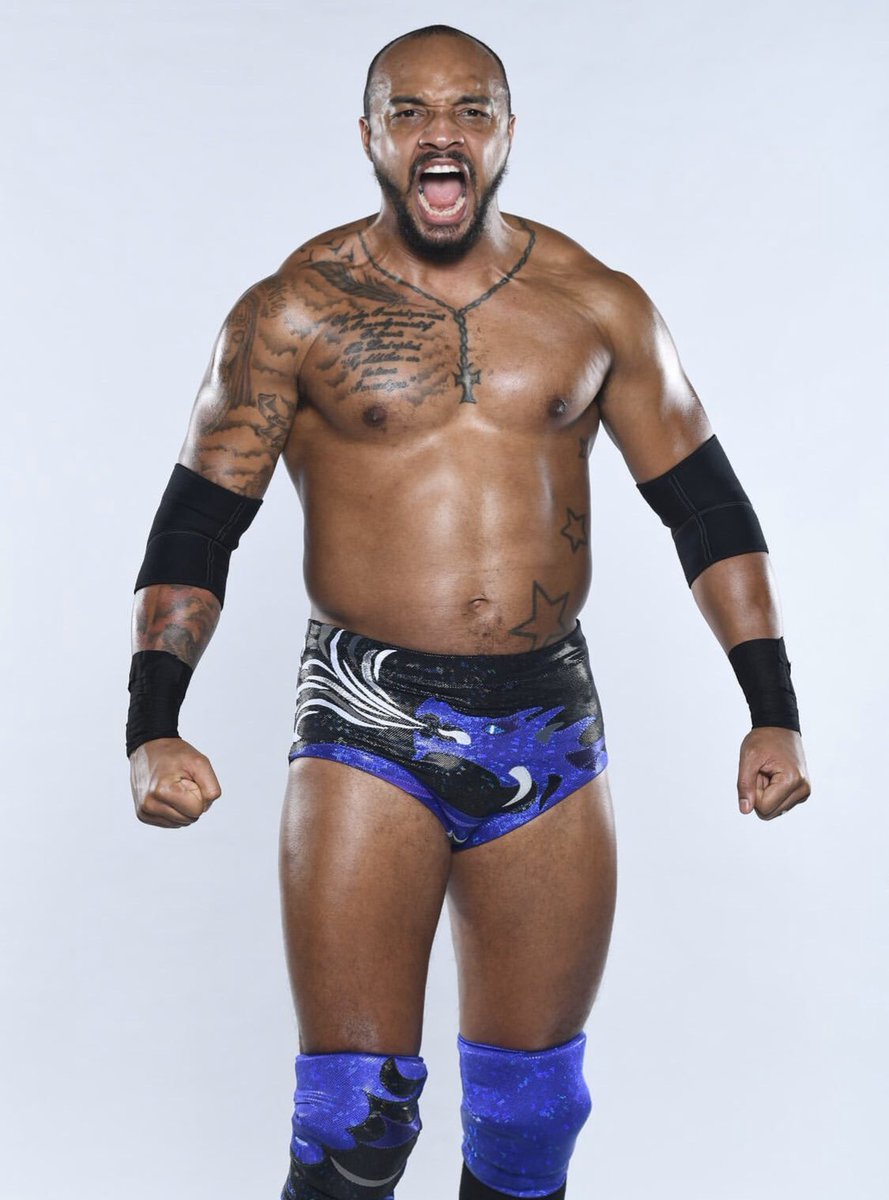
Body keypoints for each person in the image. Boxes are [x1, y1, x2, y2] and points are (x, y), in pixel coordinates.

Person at [126, 24, 811, 1200]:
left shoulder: (596, 305)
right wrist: (152, 724)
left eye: (468, 109)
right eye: (408, 110)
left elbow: (706, 513)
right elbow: (196, 527)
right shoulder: (291, 312)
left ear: (503, 133)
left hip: (547, 718)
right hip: (365, 717)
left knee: (529, 1121)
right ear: (369, 135)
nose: (438, 132)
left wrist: (772, 709)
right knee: (353, 1126)